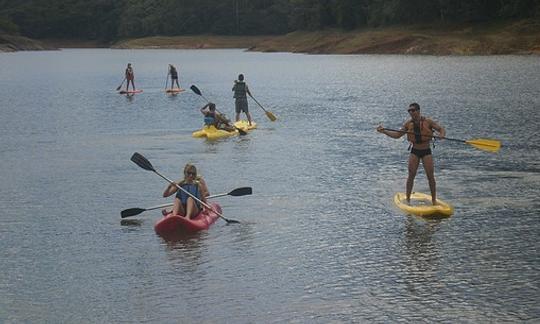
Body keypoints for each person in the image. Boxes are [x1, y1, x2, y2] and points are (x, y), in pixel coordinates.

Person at [377, 103, 445, 205]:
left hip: (426, 151)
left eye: (412, 110)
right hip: (415, 151)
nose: (411, 112)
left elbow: (441, 129)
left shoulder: (428, 121)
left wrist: (442, 135)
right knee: (411, 175)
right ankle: (408, 200)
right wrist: (384, 131)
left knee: (430, 176)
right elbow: (397, 135)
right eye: (409, 111)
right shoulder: (408, 124)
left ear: (418, 111)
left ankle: (434, 201)